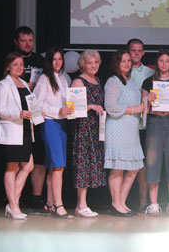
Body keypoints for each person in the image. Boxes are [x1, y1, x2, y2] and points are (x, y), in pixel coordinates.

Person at [141, 49, 169, 216]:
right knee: (152, 160)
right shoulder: (148, 82)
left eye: (167, 61)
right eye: (161, 61)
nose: (164, 64)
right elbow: (143, 110)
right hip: (154, 121)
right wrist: (148, 101)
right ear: (157, 62)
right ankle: (153, 204)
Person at [104, 49, 145, 217]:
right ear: (117, 63)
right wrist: (134, 109)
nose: (127, 64)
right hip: (117, 128)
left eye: (129, 61)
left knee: (134, 168)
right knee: (118, 168)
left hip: (131, 130)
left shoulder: (131, 81)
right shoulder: (113, 81)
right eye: (123, 61)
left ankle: (121, 202)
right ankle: (116, 204)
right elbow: (110, 106)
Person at [0, 52, 35, 219]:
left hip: (25, 130)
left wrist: (37, 112)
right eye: (15, 64)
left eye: (21, 64)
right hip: (12, 131)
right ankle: (13, 205)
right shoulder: (3, 85)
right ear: (8, 67)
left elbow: (30, 104)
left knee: (28, 166)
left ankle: (13, 203)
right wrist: (19, 113)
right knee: (12, 168)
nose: (19, 67)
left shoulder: (24, 83)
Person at [34, 47, 73, 219]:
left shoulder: (62, 78)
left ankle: (50, 203)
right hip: (49, 123)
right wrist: (58, 111)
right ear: (49, 61)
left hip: (62, 123)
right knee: (58, 165)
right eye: (54, 59)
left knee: (54, 166)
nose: (58, 62)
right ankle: (59, 205)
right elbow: (37, 104)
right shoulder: (44, 78)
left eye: (60, 59)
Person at [13, 26, 47, 214]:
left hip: (37, 115)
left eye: (30, 41)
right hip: (17, 118)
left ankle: (36, 198)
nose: (27, 44)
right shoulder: (10, 60)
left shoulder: (40, 60)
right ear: (16, 42)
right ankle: (15, 198)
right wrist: (21, 86)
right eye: (23, 41)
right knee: (18, 161)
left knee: (39, 159)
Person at [70, 50, 107, 218]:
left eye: (96, 62)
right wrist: (91, 106)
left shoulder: (97, 80)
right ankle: (81, 205)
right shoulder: (78, 81)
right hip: (83, 128)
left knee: (91, 165)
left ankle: (83, 204)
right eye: (89, 63)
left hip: (96, 128)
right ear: (83, 64)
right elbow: (72, 108)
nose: (93, 65)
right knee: (82, 165)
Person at [127, 38, 155, 212]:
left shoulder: (151, 73)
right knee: (125, 163)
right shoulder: (121, 71)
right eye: (133, 50)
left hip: (145, 124)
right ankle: (122, 201)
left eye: (139, 51)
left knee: (143, 164)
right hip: (126, 123)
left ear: (143, 53)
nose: (136, 54)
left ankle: (143, 201)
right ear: (128, 52)